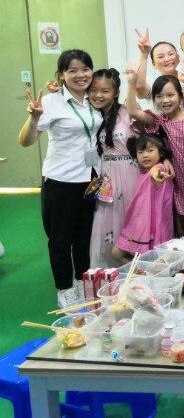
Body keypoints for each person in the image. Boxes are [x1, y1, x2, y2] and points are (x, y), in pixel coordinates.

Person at [18, 50, 103, 307]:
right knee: (60, 239)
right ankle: (65, 289)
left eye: (85, 69)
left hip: (91, 179)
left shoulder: (94, 99)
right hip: (61, 180)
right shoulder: (51, 102)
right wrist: (34, 117)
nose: (80, 75)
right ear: (62, 75)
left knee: (84, 237)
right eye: (72, 70)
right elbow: (25, 141)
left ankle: (81, 283)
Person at [125, 71, 184, 236]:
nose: (165, 100)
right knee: (180, 233)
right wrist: (131, 83)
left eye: (170, 95)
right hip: (175, 185)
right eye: (159, 96)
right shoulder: (160, 121)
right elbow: (133, 111)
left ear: (180, 96)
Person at [89, 68, 139, 268]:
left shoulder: (127, 113)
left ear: (116, 93)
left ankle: (138, 270)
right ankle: (116, 274)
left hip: (129, 174)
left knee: (130, 223)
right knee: (104, 228)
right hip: (105, 177)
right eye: (93, 90)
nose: (98, 95)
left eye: (105, 91)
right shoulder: (92, 116)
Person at [112, 133, 175, 261]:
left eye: (150, 151)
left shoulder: (159, 168)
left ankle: (144, 270)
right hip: (140, 225)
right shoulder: (143, 172)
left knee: (156, 260)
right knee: (117, 253)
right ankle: (140, 271)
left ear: (161, 153)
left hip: (154, 227)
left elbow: (156, 171)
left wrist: (156, 174)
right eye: (140, 152)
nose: (145, 155)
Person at [132, 29, 184, 115]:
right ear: (154, 64)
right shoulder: (153, 85)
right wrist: (144, 53)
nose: (167, 59)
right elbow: (139, 86)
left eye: (171, 54)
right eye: (161, 57)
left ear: (178, 57)